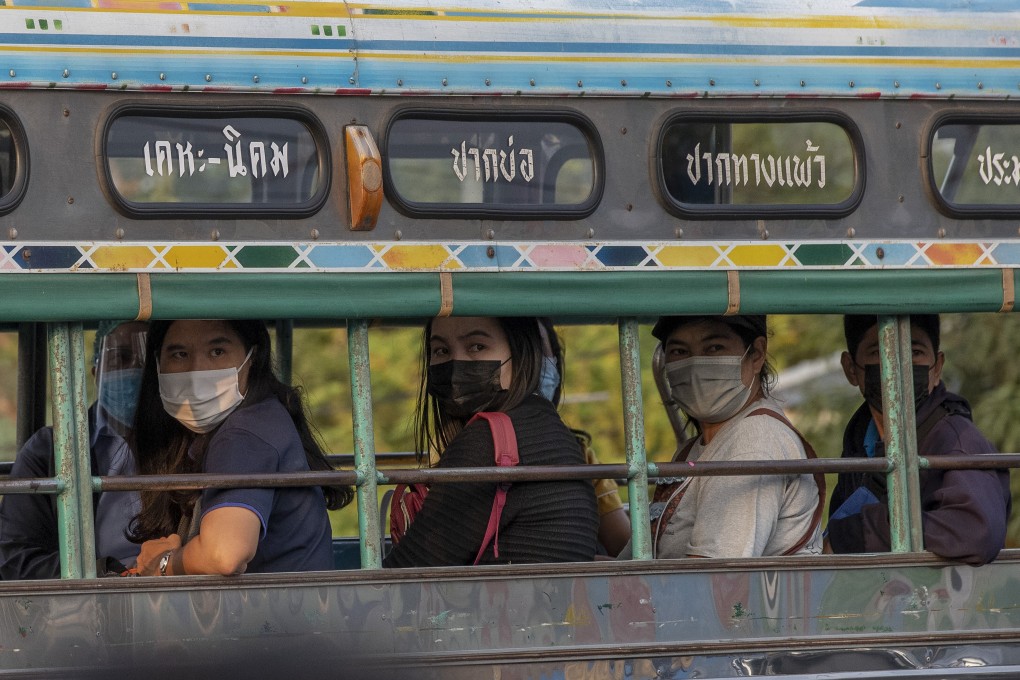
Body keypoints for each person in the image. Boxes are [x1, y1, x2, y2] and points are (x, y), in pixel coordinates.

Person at [129, 319, 353, 576]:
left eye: (217, 352)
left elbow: (226, 554)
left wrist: (164, 564)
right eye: (180, 354)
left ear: (252, 357)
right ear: (158, 364)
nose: (196, 371)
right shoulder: (245, 423)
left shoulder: (243, 434)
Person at [383, 316, 599, 567]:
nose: (455, 364)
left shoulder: (489, 441)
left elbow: (405, 574)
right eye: (441, 350)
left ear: (520, 352)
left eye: (477, 347)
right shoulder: (547, 425)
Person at [619, 314, 823, 559]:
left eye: (715, 348)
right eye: (679, 352)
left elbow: (715, 580)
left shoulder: (755, 439)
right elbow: (632, 564)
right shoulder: (692, 449)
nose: (695, 365)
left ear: (756, 354)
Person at [828, 314, 1010, 565]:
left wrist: (856, 533)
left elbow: (976, 532)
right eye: (878, 352)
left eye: (915, 352)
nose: (897, 363)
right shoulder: (859, 442)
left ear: (937, 367)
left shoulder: (957, 439)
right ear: (851, 369)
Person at [0, 320, 148, 579]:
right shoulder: (48, 451)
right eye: (121, 358)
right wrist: (107, 574)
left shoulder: (191, 445)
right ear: (95, 371)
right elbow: (16, 559)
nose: (136, 370)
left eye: (148, 360)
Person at [536, 318, 631, 557]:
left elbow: (624, 546)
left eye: (540, 351)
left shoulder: (579, 455)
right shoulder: (456, 454)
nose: (532, 365)